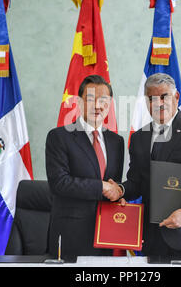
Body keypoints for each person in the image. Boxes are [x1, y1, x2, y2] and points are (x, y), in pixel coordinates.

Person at [114, 73, 181, 257]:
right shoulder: (139, 138)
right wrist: (120, 190)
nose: (158, 103)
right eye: (152, 99)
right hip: (154, 237)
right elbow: (137, 181)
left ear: (176, 97)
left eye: (164, 97)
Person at [45, 75, 124, 257]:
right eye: (90, 99)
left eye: (103, 100)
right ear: (79, 103)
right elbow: (60, 183)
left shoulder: (116, 142)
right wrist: (102, 186)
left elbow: (114, 183)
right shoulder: (59, 137)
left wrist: (118, 191)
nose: (97, 106)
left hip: (107, 235)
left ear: (110, 104)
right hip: (70, 237)